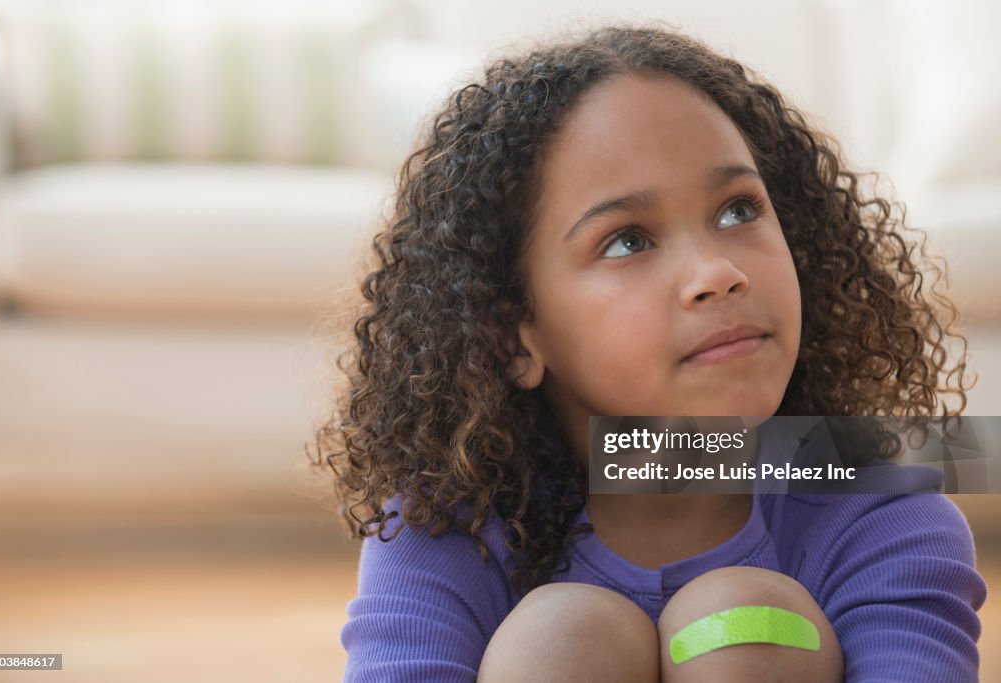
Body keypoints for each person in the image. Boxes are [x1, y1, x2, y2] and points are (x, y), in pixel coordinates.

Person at [313, 25, 986, 681]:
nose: (717, 271)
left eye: (737, 210)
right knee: (566, 636)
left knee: (742, 621)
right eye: (629, 240)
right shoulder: (448, 527)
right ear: (512, 336)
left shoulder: (882, 515)